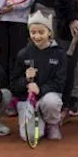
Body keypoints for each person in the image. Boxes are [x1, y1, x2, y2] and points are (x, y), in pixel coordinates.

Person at [11, 11, 68, 141]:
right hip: (28, 100)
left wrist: (40, 90)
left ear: (49, 32)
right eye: (33, 32)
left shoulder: (59, 54)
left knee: (51, 102)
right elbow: (14, 84)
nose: (37, 36)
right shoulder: (23, 54)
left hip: (48, 97)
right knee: (30, 136)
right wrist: (25, 81)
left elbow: (60, 83)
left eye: (41, 32)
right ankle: (37, 120)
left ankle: (52, 123)